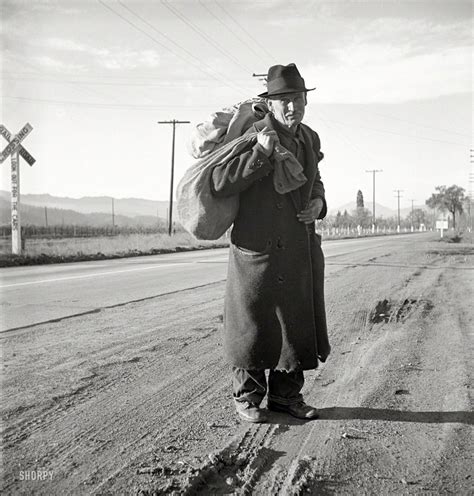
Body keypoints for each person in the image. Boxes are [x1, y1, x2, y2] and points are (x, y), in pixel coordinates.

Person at [211, 63, 330, 423]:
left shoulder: (309, 138)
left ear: (305, 101)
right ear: (271, 102)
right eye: (284, 101)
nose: (292, 107)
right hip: (255, 248)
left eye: (297, 99)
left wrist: (318, 203)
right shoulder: (252, 133)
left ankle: (286, 396)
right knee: (251, 324)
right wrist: (259, 154)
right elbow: (220, 181)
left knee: (294, 323)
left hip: (296, 246)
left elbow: (317, 180)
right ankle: (247, 397)